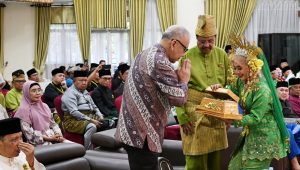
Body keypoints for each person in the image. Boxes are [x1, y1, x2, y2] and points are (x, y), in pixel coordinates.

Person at [115, 25, 191, 170]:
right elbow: (179, 99)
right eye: (185, 49)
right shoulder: (160, 61)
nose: (183, 54)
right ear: (174, 43)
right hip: (144, 136)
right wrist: (184, 81)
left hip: (132, 131)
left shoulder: (145, 53)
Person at [175, 15, 229, 170]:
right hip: (193, 111)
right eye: (202, 41)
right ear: (196, 38)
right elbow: (178, 87)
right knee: (195, 161)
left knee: (215, 160)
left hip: (216, 111)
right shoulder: (186, 56)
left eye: (210, 41)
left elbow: (230, 84)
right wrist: (182, 117)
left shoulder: (222, 55)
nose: (206, 45)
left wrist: (222, 88)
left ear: (216, 38)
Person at [227, 36, 288, 169]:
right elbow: (230, 92)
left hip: (264, 139)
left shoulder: (262, 90)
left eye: (239, 68)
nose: (236, 72)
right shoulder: (242, 81)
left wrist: (232, 119)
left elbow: (255, 117)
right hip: (250, 135)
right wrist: (217, 89)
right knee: (233, 167)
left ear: (251, 67)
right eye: (234, 68)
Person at [14, 81, 67, 146]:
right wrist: (49, 138)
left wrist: (57, 134)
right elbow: (29, 135)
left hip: (53, 138)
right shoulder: (23, 110)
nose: (38, 93)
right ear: (27, 93)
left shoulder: (44, 106)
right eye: (33, 91)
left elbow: (53, 124)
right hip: (38, 144)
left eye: (39, 90)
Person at [61, 70, 104, 149]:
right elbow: (74, 112)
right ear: (74, 81)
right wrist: (91, 120)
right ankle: (89, 151)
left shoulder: (85, 91)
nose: (84, 83)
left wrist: (100, 115)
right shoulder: (70, 93)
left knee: (109, 122)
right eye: (81, 80)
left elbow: (94, 106)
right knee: (92, 126)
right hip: (72, 120)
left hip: (89, 116)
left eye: (86, 80)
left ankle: (104, 148)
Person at [276, 81, 300, 170]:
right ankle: (295, 163)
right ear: (275, 91)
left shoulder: (287, 102)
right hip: (279, 126)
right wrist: (297, 122)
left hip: (290, 124)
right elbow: (281, 119)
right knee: (289, 131)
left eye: (286, 91)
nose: (284, 93)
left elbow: (292, 117)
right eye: (281, 90)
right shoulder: (274, 102)